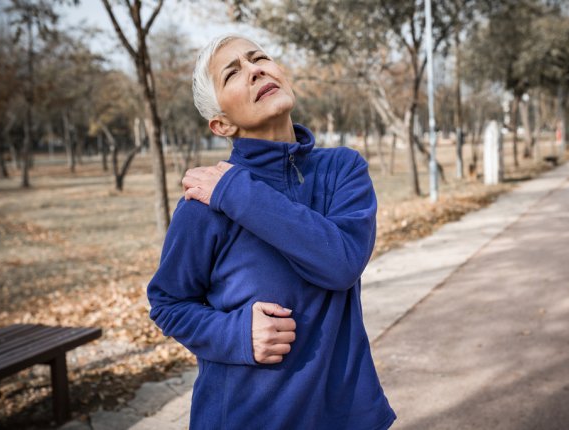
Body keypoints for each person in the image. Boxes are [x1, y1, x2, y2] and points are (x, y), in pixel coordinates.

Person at [146, 33, 396, 430]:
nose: (255, 69)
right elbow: (168, 303)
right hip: (247, 417)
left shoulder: (341, 170)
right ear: (221, 124)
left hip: (345, 415)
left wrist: (239, 193)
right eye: (233, 73)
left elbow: (342, 263)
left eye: (259, 57)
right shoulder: (204, 203)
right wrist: (236, 334)